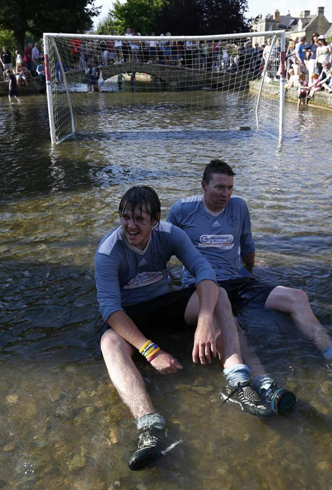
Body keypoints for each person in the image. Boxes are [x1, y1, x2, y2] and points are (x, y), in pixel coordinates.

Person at [167, 161, 332, 390]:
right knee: (233, 326)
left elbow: (247, 245)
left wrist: (251, 274)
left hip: (238, 280)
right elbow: (166, 247)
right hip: (205, 287)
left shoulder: (239, 206)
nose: (226, 194)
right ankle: (259, 380)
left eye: (230, 188)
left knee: (297, 296)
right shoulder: (182, 209)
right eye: (219, 187)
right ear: (204, 186)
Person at [97, 186, 270, 471]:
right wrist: (151, 351)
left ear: (155, 220)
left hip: (165, 303)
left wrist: (204, 323)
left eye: (139, 218)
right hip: (130, 315)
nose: (130, 225)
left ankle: (239, 379)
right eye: (125, 217)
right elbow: (110, 310)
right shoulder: (108, 252)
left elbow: (204, 272)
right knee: (108, 343)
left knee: (221, 297)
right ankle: (149, 425)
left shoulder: (170, 234)